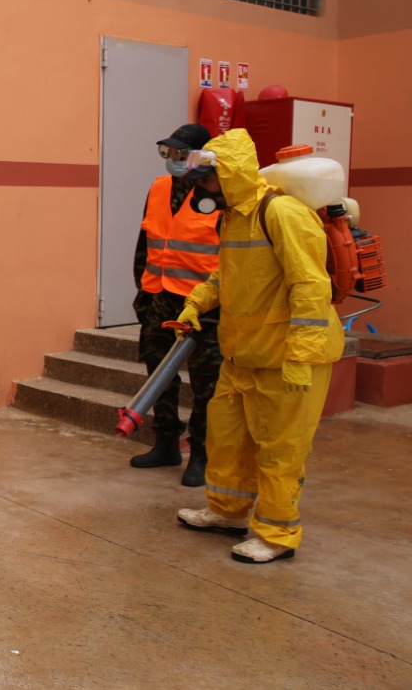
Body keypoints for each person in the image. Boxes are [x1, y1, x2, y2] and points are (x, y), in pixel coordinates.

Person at [174, 128, 344, 564]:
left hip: (286, 357)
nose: (201, 186)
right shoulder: (235, 216)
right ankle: (227, 511)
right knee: (228, 438)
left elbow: (310, 286)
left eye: (207, 178)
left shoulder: (281, 212)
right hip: (243, 354)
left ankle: (276, 534)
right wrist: (196, 303)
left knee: (280, 450)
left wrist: (301, 356)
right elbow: (227, 276)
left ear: (231, 173)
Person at [130, 123, 222, 486]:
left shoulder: (216, 191)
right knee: (158, 374)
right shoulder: (158, 187)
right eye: (169, 152)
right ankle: (165, 442)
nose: (173, 159)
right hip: (159, 298)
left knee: (206, 383)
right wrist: (142, 291)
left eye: (182, 153)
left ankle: (200, 454)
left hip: (203, 304)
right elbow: (146, 241)